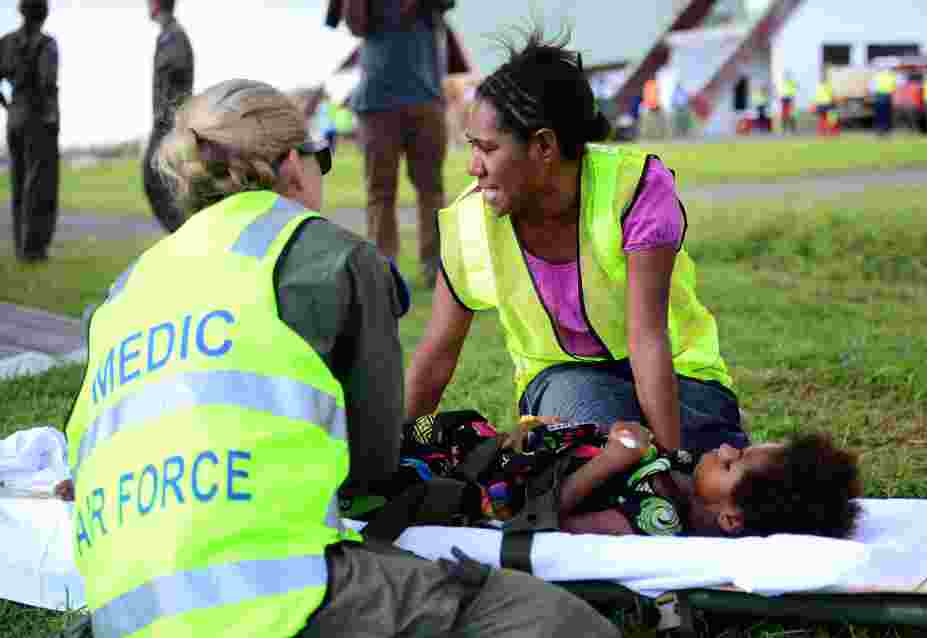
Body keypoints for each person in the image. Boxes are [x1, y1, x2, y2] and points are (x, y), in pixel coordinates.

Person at [63, 79, 618, 638]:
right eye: (319, 158)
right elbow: (369, 468)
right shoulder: (333, 258)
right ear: (291, 165)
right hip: (269, 598)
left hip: (121, 610)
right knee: (553, 620)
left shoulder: (123, 291)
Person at [405, 28, 747, 471]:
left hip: (679, 377)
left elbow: (647, 338)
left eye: (487, 148)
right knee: (599, 441)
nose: (474, 167)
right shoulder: (470, 221)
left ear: (544, 145)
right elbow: (437, 354)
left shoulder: (635, 187)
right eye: (472, 147)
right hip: (568, 383)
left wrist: (670, 460)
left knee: (658, 458)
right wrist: (394, 454)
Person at [403, 417, 862, 538]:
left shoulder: (655, 519)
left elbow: (548, 519)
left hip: (488, 484)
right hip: (511, 450)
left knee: (401, 456)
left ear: (730, 519)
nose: (724, 448)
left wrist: (610, 461)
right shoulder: (686, 474)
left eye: (731, 461)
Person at [343, 0, 450, 287]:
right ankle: (385, 271)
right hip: (379, 101)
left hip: (422, 97)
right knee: (381, 191)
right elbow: (354, 24)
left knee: (431, 188)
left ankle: (435, 267)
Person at [0, 0, 59, 262]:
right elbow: (48, 83)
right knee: (40, 184)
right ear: (43, 14)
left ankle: (20, 247)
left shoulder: (6, 42)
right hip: (38, 118)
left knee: (18, 182)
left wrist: (9, 105)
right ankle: (33, 251)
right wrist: (51, 116)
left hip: (14, 117)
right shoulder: (47, 44)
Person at [143, 0, 193, 234]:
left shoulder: (175, 37)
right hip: (166, 121)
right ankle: (182, 234)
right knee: (164, 183)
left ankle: (182, 234)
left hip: (170, 122)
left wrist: (169, 116)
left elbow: (178, 75)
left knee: (154, 177)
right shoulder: (167, 36)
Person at [872, 67, 897, 136]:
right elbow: (894, 87)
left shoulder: (877, 76)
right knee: (887, 114)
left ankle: (879, 130)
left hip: (879, 96)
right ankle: (886, 130)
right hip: (887, 96)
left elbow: (872, 87)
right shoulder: (891, 76)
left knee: (879, 114)